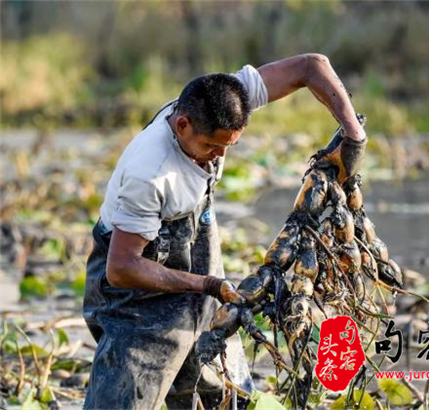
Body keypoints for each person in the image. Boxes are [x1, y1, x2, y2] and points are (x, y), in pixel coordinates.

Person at [83, 53, 366, 410]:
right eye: (210, 146)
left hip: (195, 248)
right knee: (127, 394)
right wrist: (208, 285)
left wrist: (354, 134)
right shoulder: (150, 174)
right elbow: (122, 267)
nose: (218, 156)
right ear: (182, 125)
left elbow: (311, 66)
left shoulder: (223, 99)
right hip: (136, 287)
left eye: (228, 147)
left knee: (220, 385)